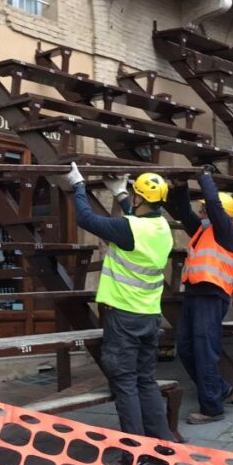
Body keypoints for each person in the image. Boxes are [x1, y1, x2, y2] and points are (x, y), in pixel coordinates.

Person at [59, 163, 177, 449]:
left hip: (123, 317)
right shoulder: (163, 228)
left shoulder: (129, 228)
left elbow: (86, 219)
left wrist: (78, 185)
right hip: (149, 317)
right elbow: (136, 219)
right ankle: (163, 445)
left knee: (125, 385)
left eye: (134, 197)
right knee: (146, 382)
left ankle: (136, 456)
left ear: (140, 199)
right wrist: (121, 192)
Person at [165, 167, 233, 424]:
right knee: (186, 349)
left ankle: (212, 409)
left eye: (204, 210)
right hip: (195, 295)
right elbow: (182, 212)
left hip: (211, 296)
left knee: (204, 351)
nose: (200, 212)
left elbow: (212, 203)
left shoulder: (226, 231)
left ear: (215, 212)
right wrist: (179, 186)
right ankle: (220, 390)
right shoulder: (204, 230)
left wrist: (204, 177)